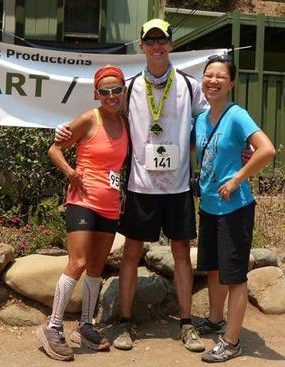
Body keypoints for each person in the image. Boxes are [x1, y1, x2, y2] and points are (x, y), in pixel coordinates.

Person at [56, 18, 208, 353]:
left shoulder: (188, 84)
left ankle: (186, 324)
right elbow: (104, 114)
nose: (156, 47)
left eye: (162, 41)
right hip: (141, 187)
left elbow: (208, 123)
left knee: (182, 253)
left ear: (171, 44)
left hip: (179, 187)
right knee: (131, 254)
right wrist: (66, 133)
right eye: (150, 41)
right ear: (141, 46)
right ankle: (124, 323)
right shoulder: (131, 87)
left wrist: (226, 146)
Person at [36, 65, 129, 361]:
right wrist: (71, 173)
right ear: (96, 94)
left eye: (116, 90)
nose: (111, 95)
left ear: (123, 91)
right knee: (77, 262)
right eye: (105, 91)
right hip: (83, 201)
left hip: (110, 204)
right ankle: (52, 326)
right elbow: (55, 149)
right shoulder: (90, 118)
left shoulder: (127, 123)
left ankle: (86, 325)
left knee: (97, 266)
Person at [192, 55, 275, 363]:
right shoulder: (200, 119)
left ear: (231, 83)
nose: (212, 81)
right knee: (213, 268)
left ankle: (232, 342)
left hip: (234, 208)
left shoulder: (237, 115)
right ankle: (215, 320)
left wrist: (238, 178)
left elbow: (266, 149)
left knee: (235, 275)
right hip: (210, 206)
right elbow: (187, 148)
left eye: (220, 76)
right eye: (208, 75)